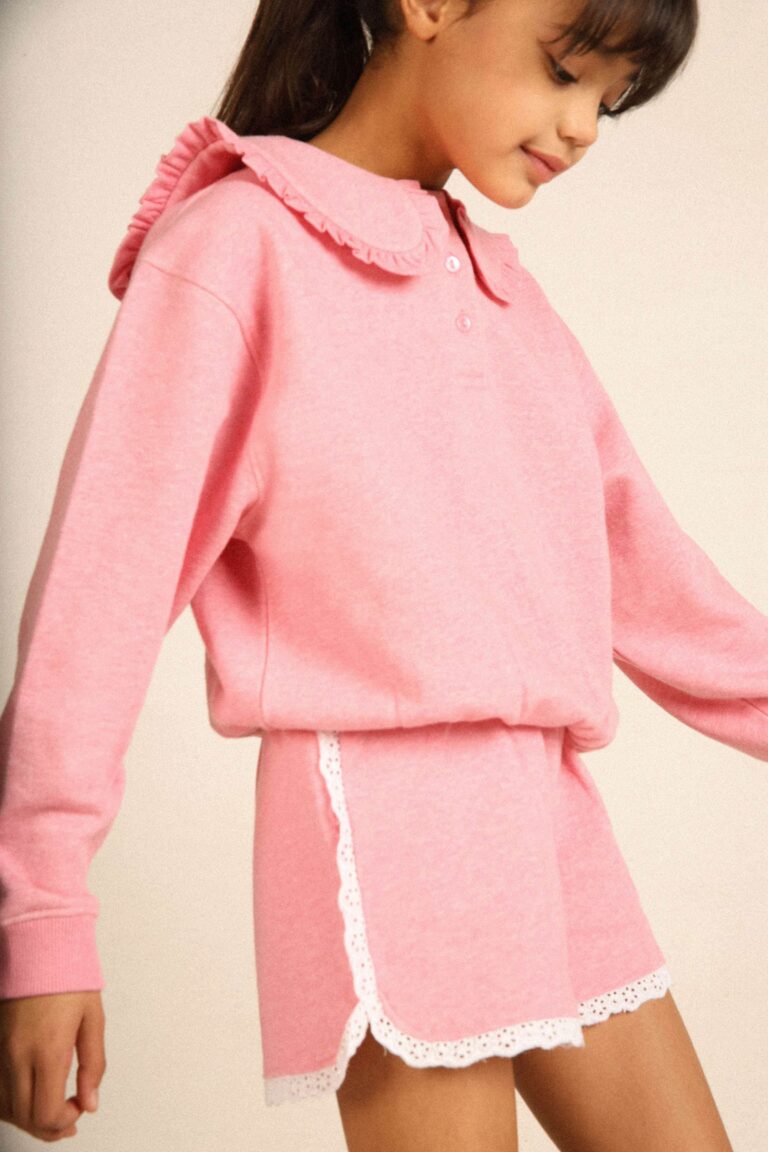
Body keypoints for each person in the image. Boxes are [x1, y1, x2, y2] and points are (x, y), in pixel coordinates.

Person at [0, 0, 763, 1146]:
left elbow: (660, 584)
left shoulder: (506, 295)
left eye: (609, 102)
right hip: (384, 821)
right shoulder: (238, 248)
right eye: (566, 70)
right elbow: (95, 607)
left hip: (548, 814)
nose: (582, 127)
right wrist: (42, 916)